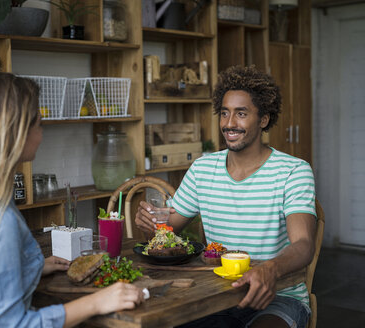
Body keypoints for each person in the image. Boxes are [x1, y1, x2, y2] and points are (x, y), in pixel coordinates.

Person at [0, 72, 144, 327]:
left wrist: (28, 267)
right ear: (16, 133)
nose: (41, 134)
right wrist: (97, 302)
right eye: (38, 124)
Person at [135, 66, 316, 328]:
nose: (229, 123)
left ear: (264, 119)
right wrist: (152, 225)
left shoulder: (293, 171)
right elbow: (166, 230)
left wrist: (269, 269)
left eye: (241, 114)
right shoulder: (203, 168)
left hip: (278, 297)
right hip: (216, 295)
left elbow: (303, 244)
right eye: (224, 113)